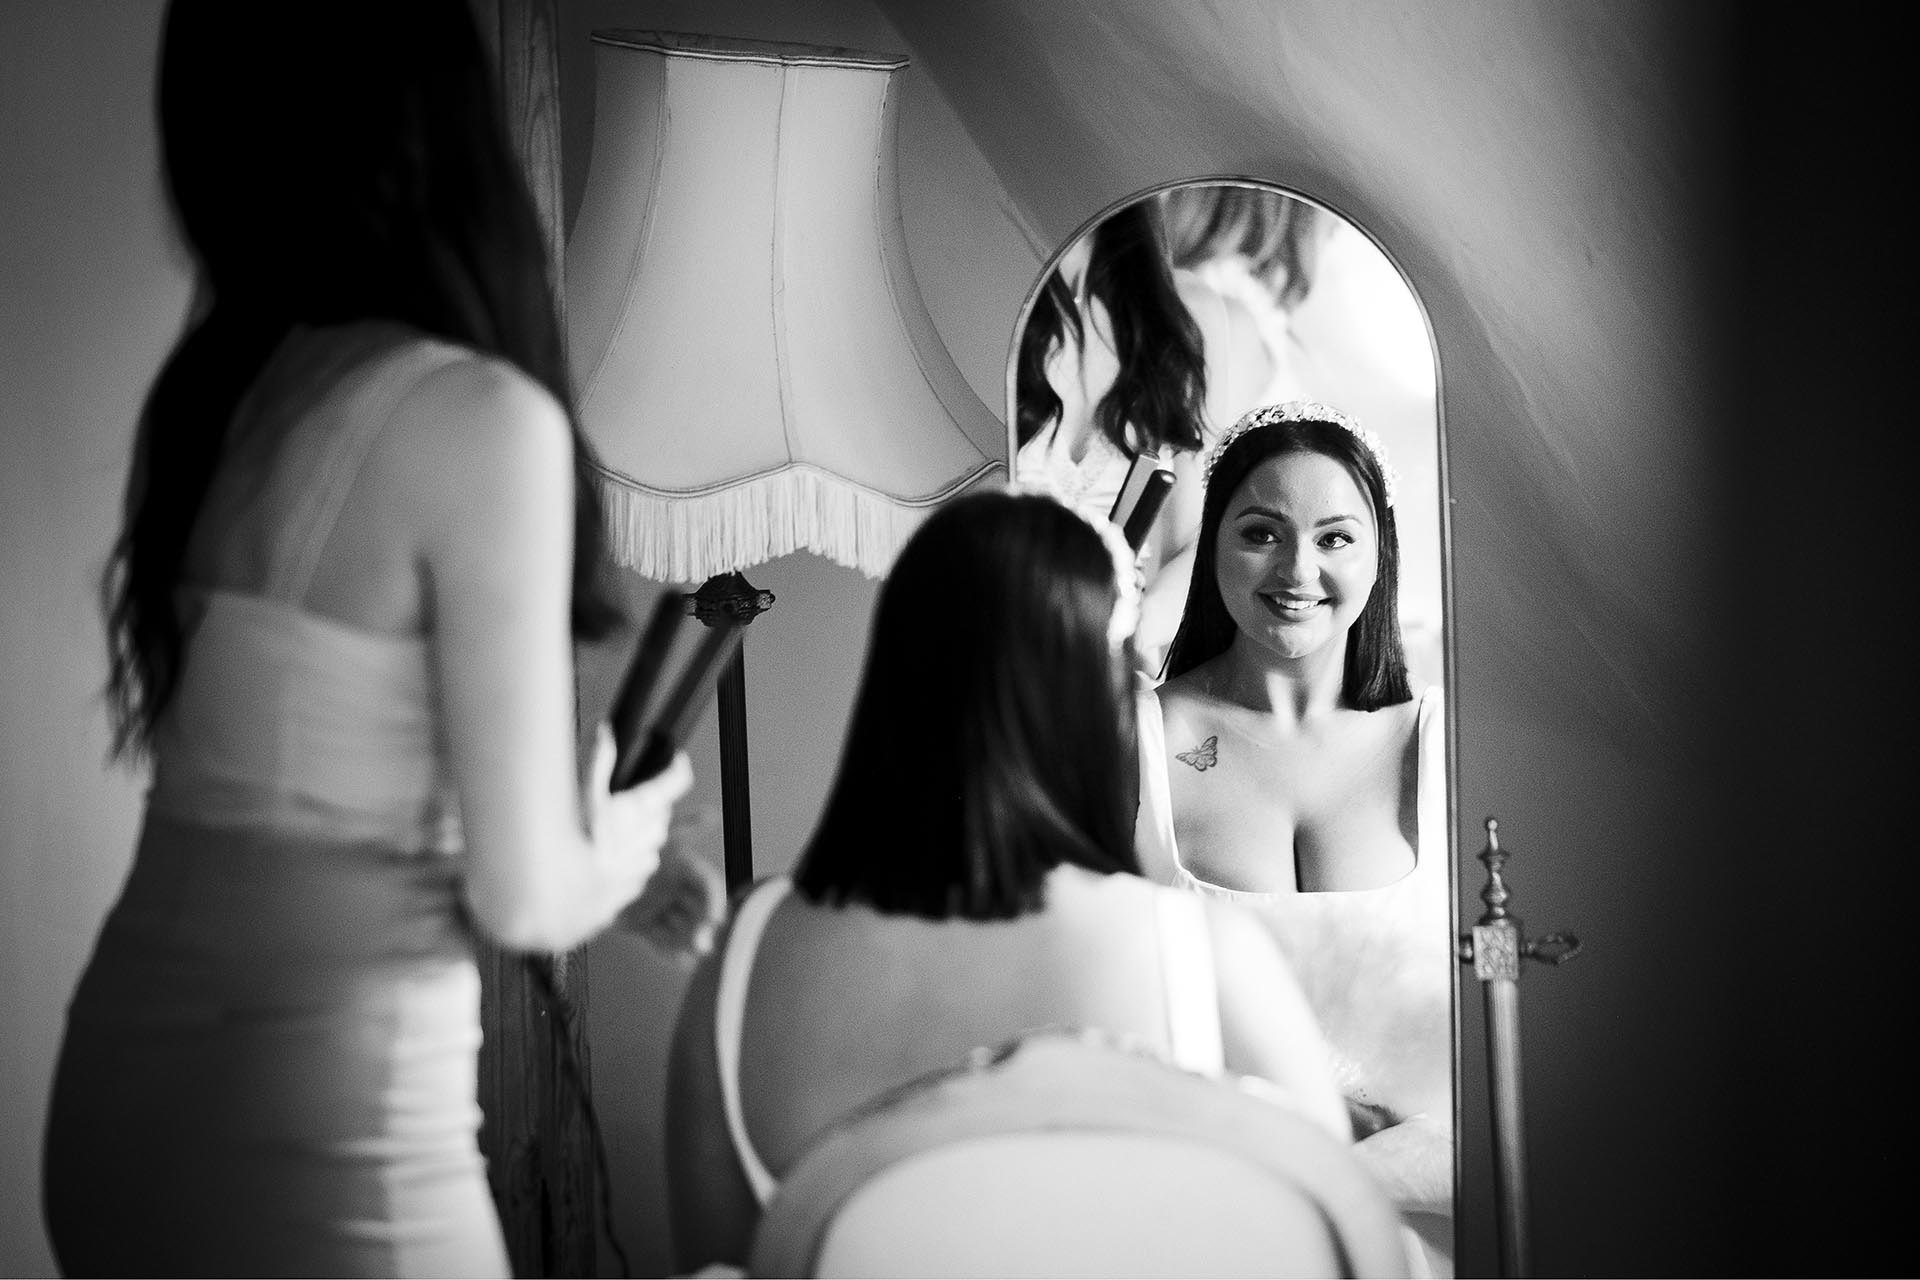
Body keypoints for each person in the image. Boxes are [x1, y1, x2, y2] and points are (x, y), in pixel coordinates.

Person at [40, 2, 712, 1274]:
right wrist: (618, 837)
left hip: (121, 1101)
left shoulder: (220, 398)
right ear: (441, 112)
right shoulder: (478, 416)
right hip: (323, 1138)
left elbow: (306, 783)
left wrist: (597, 863)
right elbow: (525, 900)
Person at [662, 490, 1352, 1273]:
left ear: (893, 676)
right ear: (1090, 697)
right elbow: (1347, 1242)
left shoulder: (743, 959)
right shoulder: (1201, 955)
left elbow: (711, 1268)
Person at [1136, 400, 1455, 1275]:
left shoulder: (1442, 745)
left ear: (1380, 552)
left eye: (1335, 537)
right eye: (1262, 533)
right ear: (1213, 545)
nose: (1298, 570)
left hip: (1421, 1235)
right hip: (1214, 1228)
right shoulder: (1140, 739)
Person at [1014, 200, 1275, 673]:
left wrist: (1136, 624)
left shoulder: (1185, 313)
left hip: (1114, 665)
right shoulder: (990, 295)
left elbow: (1196, 539)